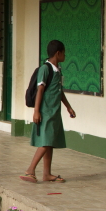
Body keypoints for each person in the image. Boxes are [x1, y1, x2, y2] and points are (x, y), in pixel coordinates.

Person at [22, 40, 76, 184]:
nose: (65, 55)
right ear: (58, 53)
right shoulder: (45, 69)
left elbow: (59, 91)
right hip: (46, 111)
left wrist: (68, 106)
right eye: (64, 53)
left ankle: (47, 174)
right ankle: (30, 170)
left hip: (54, 112)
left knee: (50, 142)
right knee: (46, 141)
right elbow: (40, 90)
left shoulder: (58, 70)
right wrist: (37, 111)